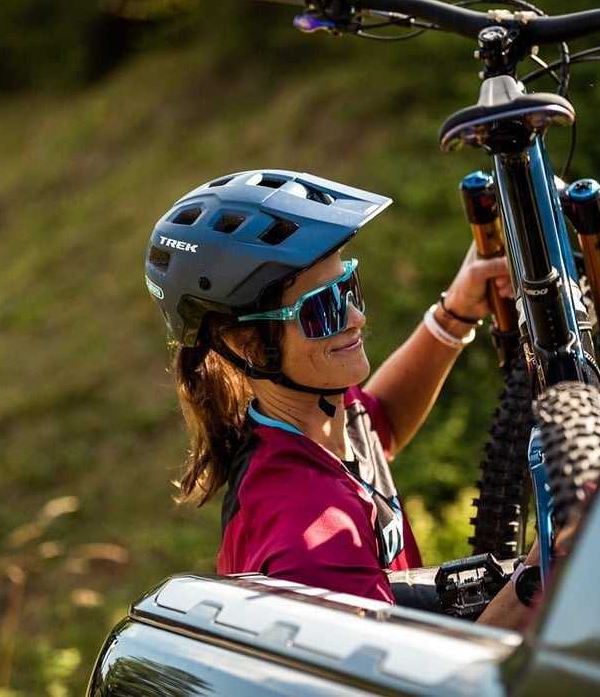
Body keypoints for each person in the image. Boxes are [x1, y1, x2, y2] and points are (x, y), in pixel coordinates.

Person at [144, 169, 536, 622]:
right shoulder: (310, 537)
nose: (355, 318)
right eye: (322, 309)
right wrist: (544, 574)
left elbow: (377, 424)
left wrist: (454, 314)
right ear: (249, 346)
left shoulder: (312, 423)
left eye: (348, 287)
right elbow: (417, 683)